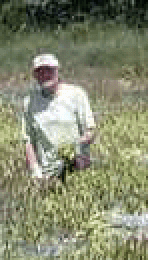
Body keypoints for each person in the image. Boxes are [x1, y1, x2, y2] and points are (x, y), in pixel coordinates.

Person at [22, 53, 98, 181]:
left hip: (78, 167)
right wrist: (35, 171)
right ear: (35, 75)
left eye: (49, 70)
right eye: (40, 71)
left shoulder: (76, 94)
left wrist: (74, 147)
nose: (45, 75)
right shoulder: (29, 102)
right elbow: (28, 141)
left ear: (57, 71)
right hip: (47, 173)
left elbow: (90, 131)